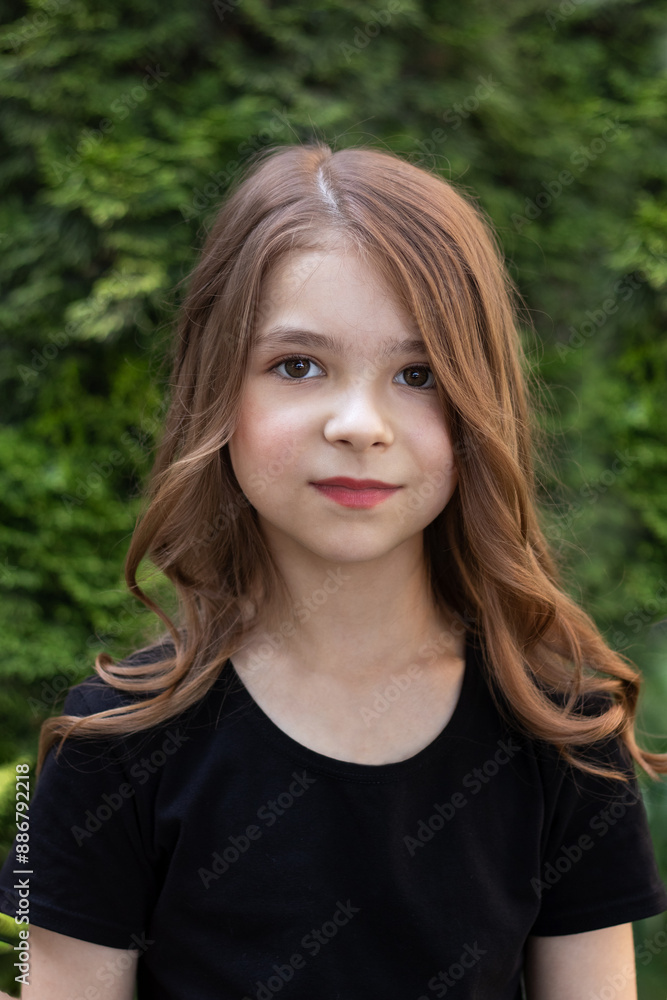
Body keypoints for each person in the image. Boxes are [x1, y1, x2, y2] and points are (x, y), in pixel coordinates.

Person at [0, 141, 665, 1000]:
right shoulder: (110, 748)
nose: (360, 422)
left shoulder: (564, 732)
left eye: (417, 373)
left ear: (479, 404)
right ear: (215, 389)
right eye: (297, 365)